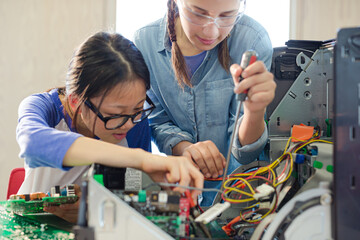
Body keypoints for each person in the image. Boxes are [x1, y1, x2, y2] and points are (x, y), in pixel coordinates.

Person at [16, 32, 204, 219]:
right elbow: (33, 144)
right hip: (32, 225)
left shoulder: (135, 122)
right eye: (115, 114)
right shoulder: (43, 108)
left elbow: (131, 186)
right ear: (75, 102)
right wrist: (142, 159)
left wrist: (94, 206)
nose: (128, 124)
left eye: (138, 108)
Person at [134, 0, 276, 206]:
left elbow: (246, 154)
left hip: (239, 198)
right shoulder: (144, 42)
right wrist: (184, 148)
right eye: (199, 14)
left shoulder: (252, 40)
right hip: (184, 196)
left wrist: (254, 112)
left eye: (227, 16)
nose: (211, 32)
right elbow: (155, 120)